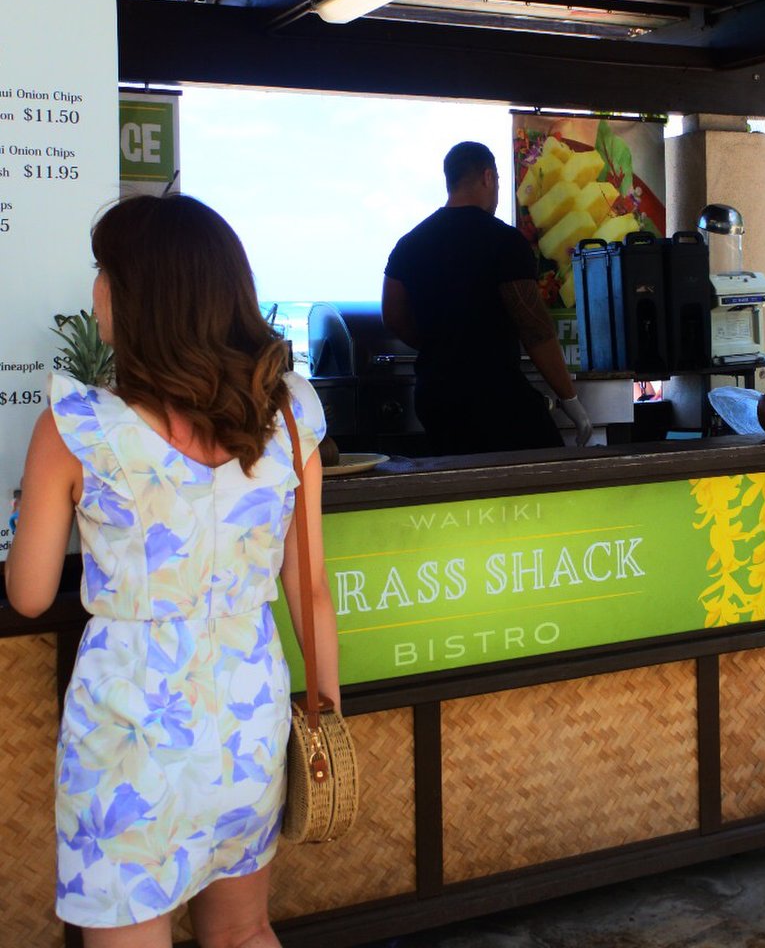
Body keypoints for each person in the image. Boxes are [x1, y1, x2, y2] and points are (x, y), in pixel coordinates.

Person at [6, 194, 339, 948]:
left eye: (103, 270)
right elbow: (310, 588)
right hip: (246, 719)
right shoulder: (287, 417)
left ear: (139, 293)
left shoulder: (78, 428)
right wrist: (325, 719)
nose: (93, 288)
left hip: (130, 736)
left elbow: (28, 595)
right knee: (245, 933)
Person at [382, 141, 593, 455]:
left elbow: (393, 316)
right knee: (549, 475)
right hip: (495, 398)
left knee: (463, 493)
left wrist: (443, 344)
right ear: (487, 177)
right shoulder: (505, 242)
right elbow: (534, 328)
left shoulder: (409, 243)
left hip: (435, 399)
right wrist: (571, 401)